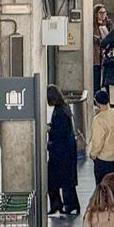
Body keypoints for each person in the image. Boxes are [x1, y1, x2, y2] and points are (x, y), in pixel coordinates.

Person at [46, 86, 80, 216]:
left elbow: (59, 133)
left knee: (57, 180)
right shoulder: (63, 108)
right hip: (66, 150)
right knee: (66, 180)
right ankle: (67, 204)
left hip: (61, 152)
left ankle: (63, 205)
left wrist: (49, 140)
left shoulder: (60, 112)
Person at [89, 90, 114, 184]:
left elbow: (97, 142)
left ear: (96, 102)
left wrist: (93, 154)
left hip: (103, 159)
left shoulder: (98, 120)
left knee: (103, 189)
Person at [91, 4, 110, 92]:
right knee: (96, 78)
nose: (103, 15)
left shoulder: (107, 24)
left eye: (104, 13)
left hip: (105, 56)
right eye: (100, 13)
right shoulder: (92, 26)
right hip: (96, 57)